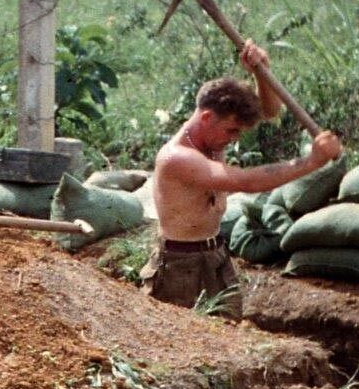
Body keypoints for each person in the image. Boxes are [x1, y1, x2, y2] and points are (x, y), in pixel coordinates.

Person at [140, 39, 342, 320]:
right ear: (207, 117)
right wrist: (311, 162)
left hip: (216, 257)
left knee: (227, 339)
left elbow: (269, 112)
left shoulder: (211, 140)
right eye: (231, 131)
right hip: (179, 267)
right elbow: (245, 182)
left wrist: (261, 72)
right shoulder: (177, 158)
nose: (234, 139)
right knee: (179, 347)